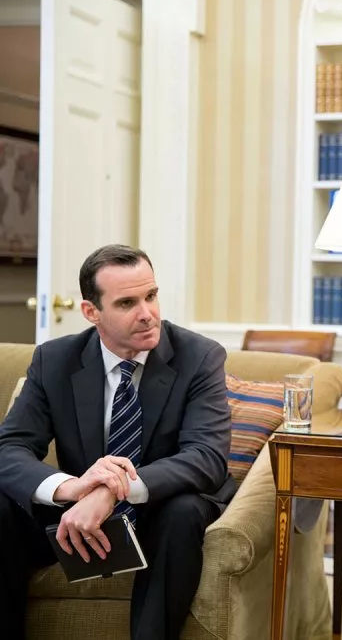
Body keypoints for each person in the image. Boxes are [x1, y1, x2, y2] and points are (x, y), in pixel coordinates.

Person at [0, 244, 237, 640]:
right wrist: (73, 488)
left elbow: (206, 456)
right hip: (79, 514)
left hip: (161, 509)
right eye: (127, 303)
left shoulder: (199, 357)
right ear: (91, 312)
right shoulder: (55, 360)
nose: (147, 313)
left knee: (183, 512)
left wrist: (111, 490)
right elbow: (9, 449)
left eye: (151, 296)